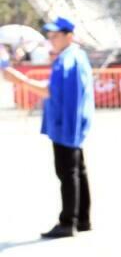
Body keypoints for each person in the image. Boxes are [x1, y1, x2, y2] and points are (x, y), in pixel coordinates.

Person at [3, 16, 94, 238]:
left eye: (55, 35)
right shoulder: (75, 56)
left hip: (66, 123)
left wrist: (21, 80)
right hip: (71, 122)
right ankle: (82, 219)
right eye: (50, 36)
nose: (51, 39)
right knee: (77, 170)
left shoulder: (68, 60)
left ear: (69, 36)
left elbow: (52, 91)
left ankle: (67, 222)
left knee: (67, 172)